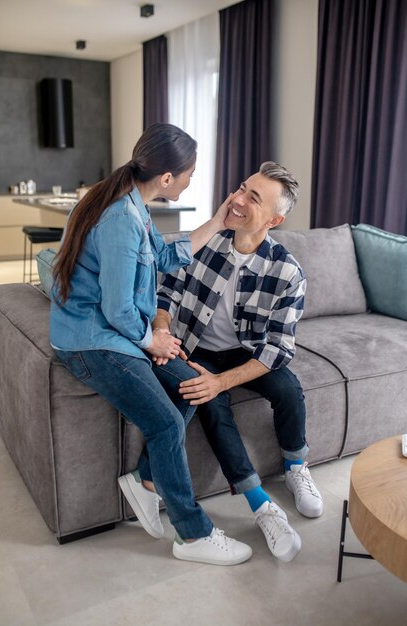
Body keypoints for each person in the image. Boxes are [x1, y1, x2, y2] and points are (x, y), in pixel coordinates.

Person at [49, 123, 252, 567]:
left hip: (116, 331)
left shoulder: (130, 202)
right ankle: (193, 535)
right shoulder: (120, 218)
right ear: (167, 178)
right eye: (190, 173)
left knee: (190, 386)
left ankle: (142, 480)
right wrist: (153, 340)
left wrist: (218, 222)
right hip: (91, 342)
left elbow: (163, 257)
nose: (191, 180)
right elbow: (120, 310)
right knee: (165, 424)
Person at [148, 161, 323, 563]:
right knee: (209, 404)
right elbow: (167, 291)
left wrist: (222, 380)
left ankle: (297, 466)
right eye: (242, 188)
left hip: (249, 350)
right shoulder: (205, 242)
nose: (239, 199)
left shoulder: (287, 272)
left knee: (287, 387)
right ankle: (262, 506)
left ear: (275, 219)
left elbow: (278, 348)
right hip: (197, 345)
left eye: (253, 197)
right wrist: (162, 328)